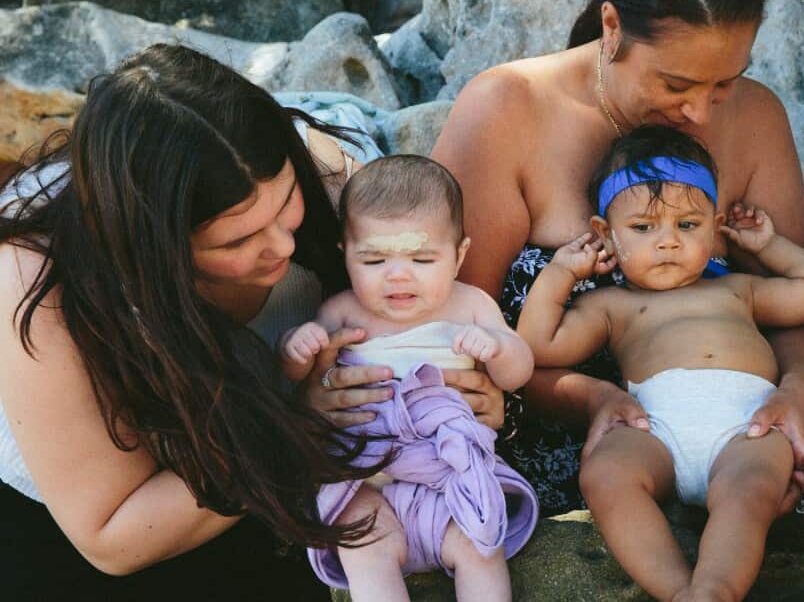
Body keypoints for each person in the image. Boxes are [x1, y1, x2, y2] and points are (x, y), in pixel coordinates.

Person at [0, 44, 485, 599]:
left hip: (274, 470)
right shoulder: (34, 276)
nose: (281, 247)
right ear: (155, 250)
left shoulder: (302, 165)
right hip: (103, 524)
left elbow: (431, 304)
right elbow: (113, 537)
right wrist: (297, 425)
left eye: (284, 209)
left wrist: (479, 396)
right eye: (238, 239)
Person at [432, 0, 804, 516]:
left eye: (725, 83)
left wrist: (797, 394)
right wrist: (594, 399)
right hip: (541, 443)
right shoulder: (508, 111)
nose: (700, 112)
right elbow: (453, 325)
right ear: (612, 26)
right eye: (676, 84)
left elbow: (788, 305)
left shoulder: (755, 118)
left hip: (731, 444)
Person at [518, 127, 804, 601]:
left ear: (714, 225)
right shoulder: (613, 307)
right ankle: (675, 590)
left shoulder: (738, 290)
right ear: (606, 234)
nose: (668, 242)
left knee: (748, 491)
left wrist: (766, 246)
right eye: (643, 229)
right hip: (654, 428)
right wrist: (562, 272)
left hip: (746, 426)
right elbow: (537, 345)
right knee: (604, 475)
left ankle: (712, 590)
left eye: (688, 225)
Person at [280, 155, 538, 602]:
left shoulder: (471, 305)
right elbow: (301, 383)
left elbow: (518, 374)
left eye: (421, 257)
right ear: (346, 256)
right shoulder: (342, 310)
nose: (398, 275)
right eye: (375, 259)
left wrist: (497, 348)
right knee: (360, 543)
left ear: (458, 255)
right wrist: (296, 347)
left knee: (480, 546)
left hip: (452, 473)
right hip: (369, 478)